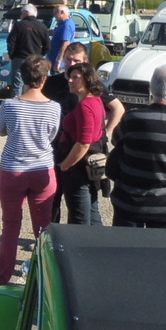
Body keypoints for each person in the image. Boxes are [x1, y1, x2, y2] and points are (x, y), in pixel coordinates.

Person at [0, 57, 60, 286]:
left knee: (10, 225)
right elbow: (52, 135)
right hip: (42, 169)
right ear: (45, 79)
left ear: (22, 77)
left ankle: (2, 279)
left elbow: (1, 130)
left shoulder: (9, 105)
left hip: (13, 169)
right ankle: (45, 278)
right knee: (43, 228)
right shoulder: (54, 107)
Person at [108, 64, 166, 228]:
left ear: (151, 88)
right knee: (161, 246)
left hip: (129, 204)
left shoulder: (132, 117)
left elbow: (115, 140)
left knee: (124, 245)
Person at [55, 62, 107, 225]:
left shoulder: (86, 105)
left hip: (79, 168)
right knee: (91, 212)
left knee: (79, 219)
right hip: (88, 164)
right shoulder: (96, 101)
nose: (70, 81)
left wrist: (65, 165)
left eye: (75, 77)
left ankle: (82, 242)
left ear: (87, 79)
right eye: (70, 77)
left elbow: (84, 143)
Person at [6, 4, 50, 96]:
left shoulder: (18, 25)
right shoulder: (42, 26)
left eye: (21, 13)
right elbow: (47, 46)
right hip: (35, 60)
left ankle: (16, 102)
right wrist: (40, 55)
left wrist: (12, 55)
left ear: (26, 13)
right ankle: (31, 101)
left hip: (19, 58)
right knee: (33, 83)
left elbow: (11, 41)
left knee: (17, 84)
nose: (20, 15)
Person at [47, 5, 76, 71]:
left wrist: (59, 61)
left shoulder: (67, 25)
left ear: (62, 12)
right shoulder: (62, 24)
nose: (54, 16)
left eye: (55, 13)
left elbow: (65, 44)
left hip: (60, 64)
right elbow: (55, 32)